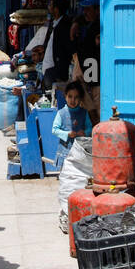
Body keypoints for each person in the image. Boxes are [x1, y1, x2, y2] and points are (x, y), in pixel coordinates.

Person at [53, 82, 94, 230]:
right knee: (66, 182)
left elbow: (90, 128)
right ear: (65, 97)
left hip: (80, 154)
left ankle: (79, 211)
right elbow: (55, 129)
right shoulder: (61, 113)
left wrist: (85, 132)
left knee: (80, 181)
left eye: (76, 97)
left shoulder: (84, 113)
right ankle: (65, 211)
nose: (73, 100)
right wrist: (66, 134)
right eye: (70, 96)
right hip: (66, 150)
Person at [70, 0, 100, 121]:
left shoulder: (99, 27)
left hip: (94, 74)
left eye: (88, 9)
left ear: (98, 10)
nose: (85, 12)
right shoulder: (88, 24)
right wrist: (75, 23)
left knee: (95, 104)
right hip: (87, 69)